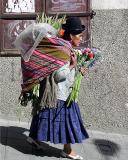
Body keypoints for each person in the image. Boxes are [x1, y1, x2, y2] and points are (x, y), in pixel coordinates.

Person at [27, 17, 89, 160]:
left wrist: (79, 70)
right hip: (61, 94)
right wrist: (73, 66)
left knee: (45, 116)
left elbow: (66, 71)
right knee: (67, 121)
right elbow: (58, 75)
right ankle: (67, 150)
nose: (81, 38)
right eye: (79, 35)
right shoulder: (64, 51)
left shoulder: (67, 48)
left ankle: (35, 138)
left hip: (64, 92)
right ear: (71, 35)